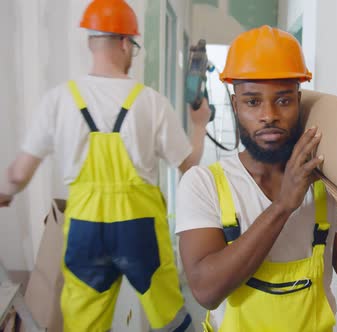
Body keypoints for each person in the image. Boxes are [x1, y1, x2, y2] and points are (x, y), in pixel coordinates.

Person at [0, 0, 210, 330]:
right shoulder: (150, 102)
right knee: (170, 318)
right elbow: (190, 165)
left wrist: (4, 193)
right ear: (126, 42)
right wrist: (199, 125)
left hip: (85, 231)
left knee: (83, 323)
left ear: (91, 42)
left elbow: (17, 175)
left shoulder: (58, 100)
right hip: (139, 229)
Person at [176, 25, 337, 331]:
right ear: (235, 105)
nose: (269, 114)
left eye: (283, 100)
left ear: (299, 102)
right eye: (253, 102)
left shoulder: (326, 181)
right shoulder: (203, 184)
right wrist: (284, 204)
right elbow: (206, 291)